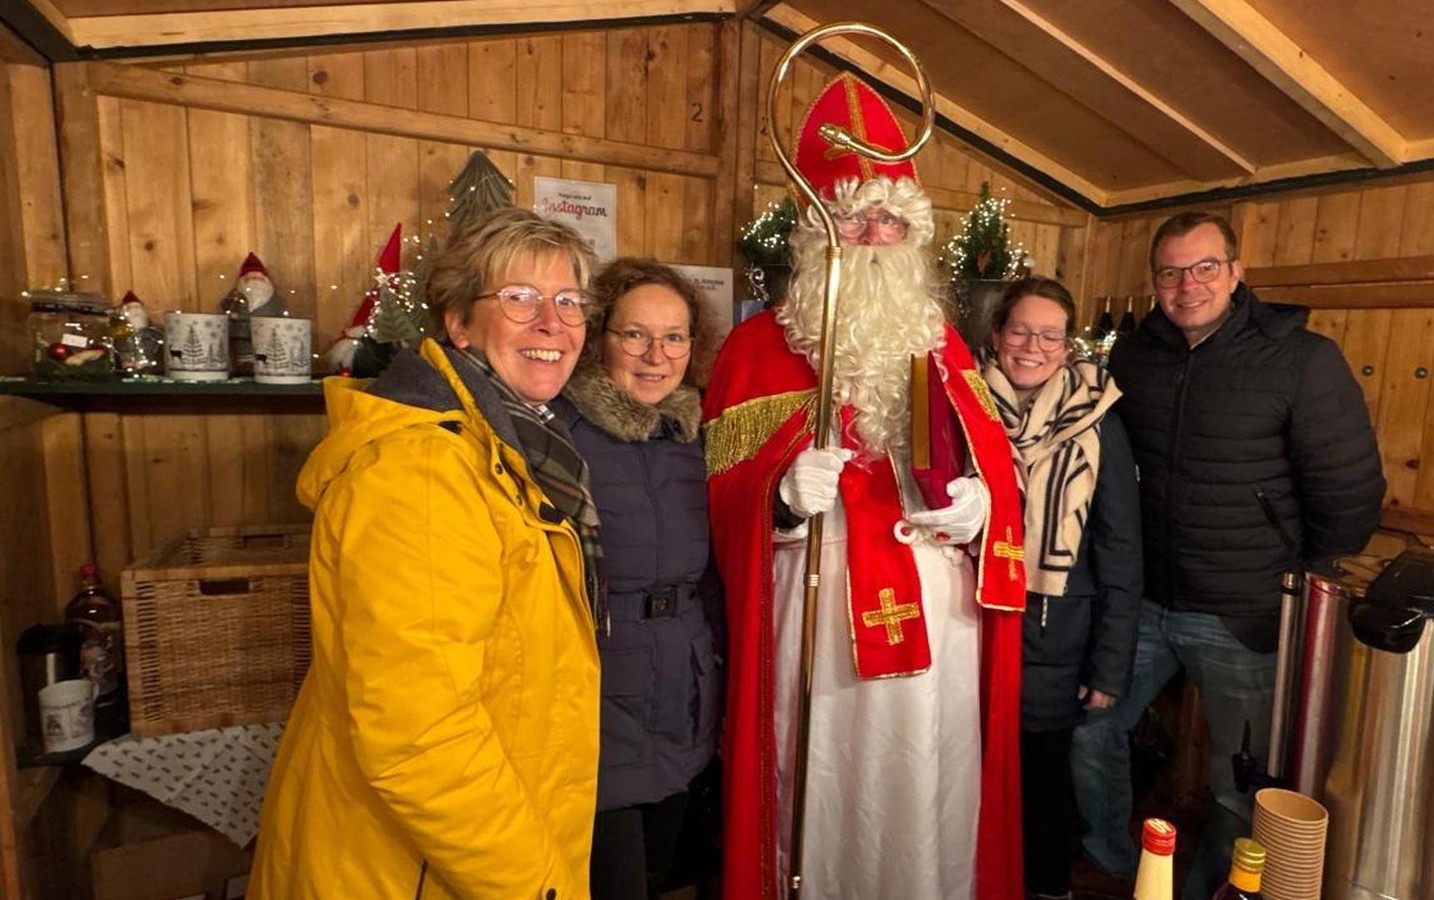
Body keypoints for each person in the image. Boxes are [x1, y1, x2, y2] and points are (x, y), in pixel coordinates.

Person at [703, 72, 1027, 900]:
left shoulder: (944, 341)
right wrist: (777, 496)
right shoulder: (756, 350)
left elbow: (997, 468)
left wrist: (985, 512)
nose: (873, 233)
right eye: (852, 214)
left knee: (933, 771)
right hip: (812, 606)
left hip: (941, 612)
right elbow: (717, 499)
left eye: (889, 217)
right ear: (818, 230)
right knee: (825, 773)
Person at [250, 208, 603, 899]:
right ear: (459, 322)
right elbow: (420, 736)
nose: (552, 323)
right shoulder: (423, 471)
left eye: (568, 301)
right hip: (410, 868)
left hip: (474, 842)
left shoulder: (516, 446)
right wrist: (535, 885)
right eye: (519, 298)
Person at [1072, 211, 1385, 898]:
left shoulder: (1302, 360)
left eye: (1205, 267)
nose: (1188, 285)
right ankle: (1114, 861)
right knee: (1092, 729)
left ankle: (1214, 890)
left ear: (1237, 272)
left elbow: (1351, 489)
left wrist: (1305, 580)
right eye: (1171, 272)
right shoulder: (1132, 357)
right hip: (1142, 605)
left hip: (1247, 614)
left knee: (1239, 782)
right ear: (1154, 282)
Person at [550, 257, 724, 900]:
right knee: (609, 873)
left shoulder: (697, 431)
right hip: (599, 678)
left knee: (665, 868)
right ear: (601, 338)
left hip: (684, 677)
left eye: (674, 336)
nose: (656, 355)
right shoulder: (561, 430)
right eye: (635, 335)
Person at [981, 277, 1143, 900]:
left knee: (1041, 783)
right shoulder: (966, 406)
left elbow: (1121, 550)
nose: (1033, 346)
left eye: (1050, 335)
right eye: (1021, 330)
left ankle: (1047, 889)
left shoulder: (1097, 419)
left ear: (1067, 343)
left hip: (1055, 634)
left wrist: (1109, 667)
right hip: (970, 624)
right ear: (997, 336)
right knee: (969, 773)